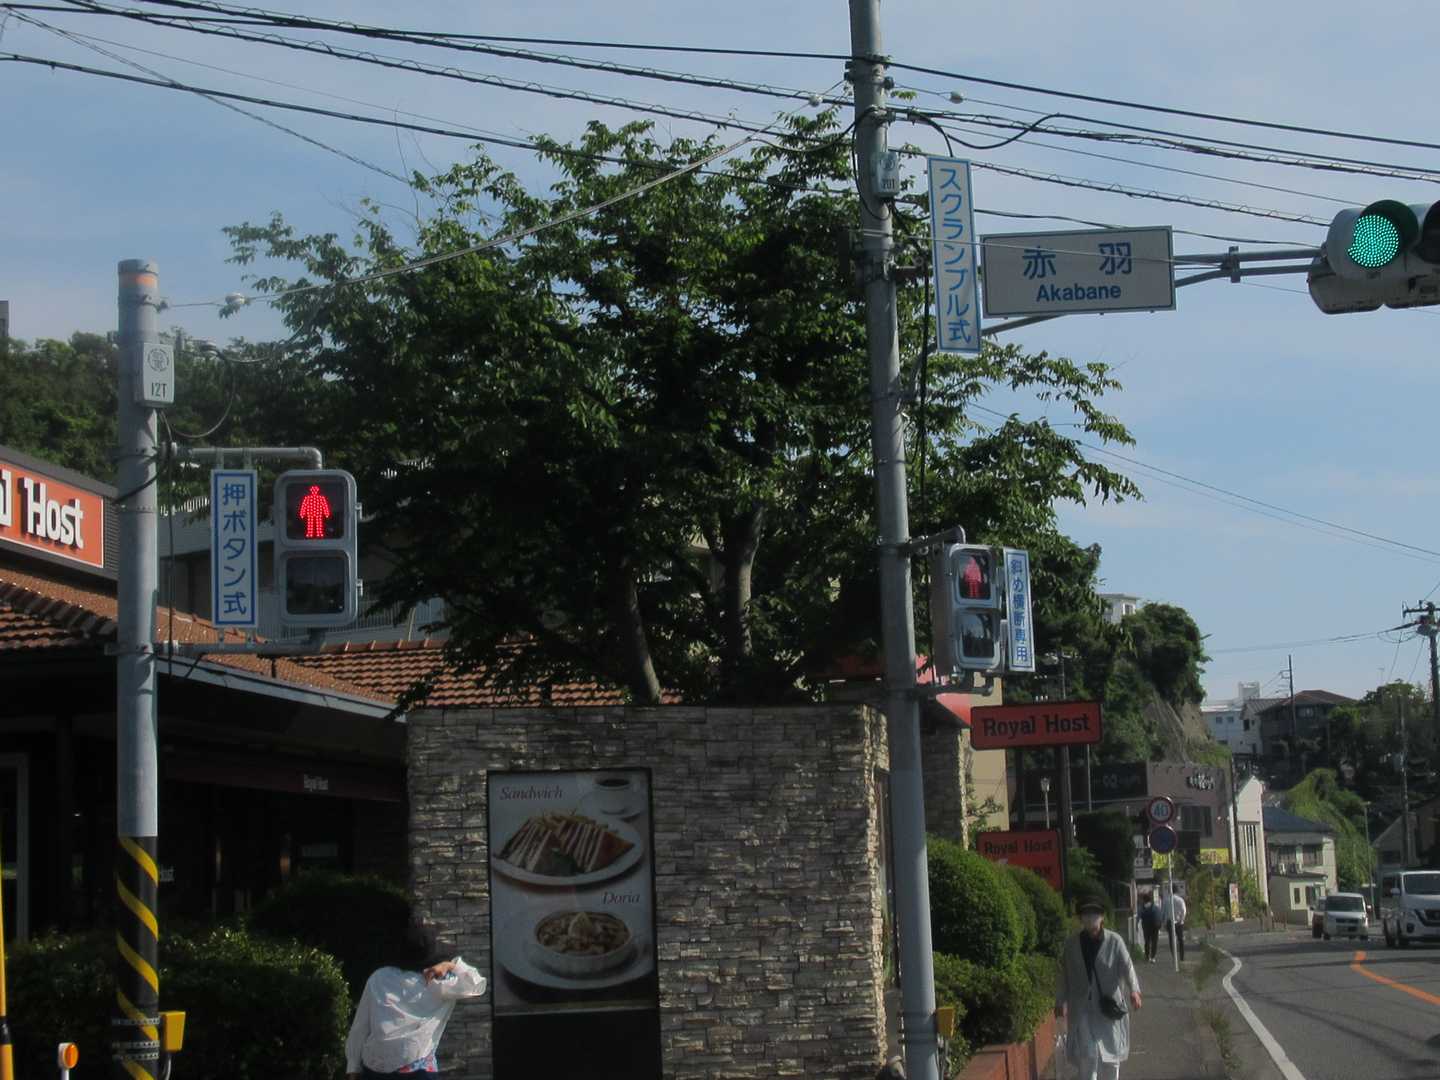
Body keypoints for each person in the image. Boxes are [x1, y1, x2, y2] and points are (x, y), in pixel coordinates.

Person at [346, 926, 487, 1077]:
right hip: (417, 1068)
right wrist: (450, 965)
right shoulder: (439, 982)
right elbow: (476, 983)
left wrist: (352, 1067)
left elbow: (361, 1025)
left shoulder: (379, 977)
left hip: (375, 1065)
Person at [1056, 894, 1142, 1080]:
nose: (1090, 918)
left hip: (1108, 1006)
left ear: (1102, 917)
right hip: (1082, 1007)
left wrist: (1134, 990)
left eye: (1095, 913)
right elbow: (1064, 975)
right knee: (1088, 1053)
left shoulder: (1114, 941)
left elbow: (1127, 966)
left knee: (1111, 1055)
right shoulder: (1071, 944)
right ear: (1080, 918)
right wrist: (1060, 1001)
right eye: (1086, 914)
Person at [1163, 886, 1189, 962]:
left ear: (1169, 891)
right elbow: (1184, 911)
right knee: (1180, 939)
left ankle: (1174, 957)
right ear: (1176, 891)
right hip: (1179, 923)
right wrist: (1181, 920)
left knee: (1171, 940)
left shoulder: (1166, 900)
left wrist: (1164, 922)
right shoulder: (1180, 900)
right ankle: (1182, 957)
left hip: (1169, 922)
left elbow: (1163, 912)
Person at [1138, 890, 1163, 963]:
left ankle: (1147, 957)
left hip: (1146, 927)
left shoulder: (1142, 908)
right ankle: (1153, 957)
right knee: (1154, 942)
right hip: (1155, 926)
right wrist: (1160, 925)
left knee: (1147, 942)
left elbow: (1139, 917)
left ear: (1144, 900)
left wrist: (1137, 925)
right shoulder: (1155, 907)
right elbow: (1160, 916)